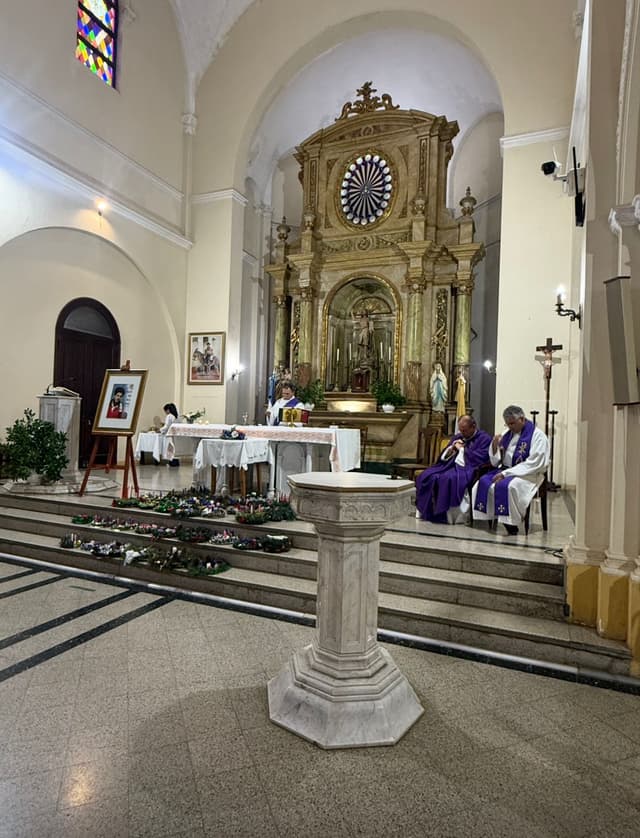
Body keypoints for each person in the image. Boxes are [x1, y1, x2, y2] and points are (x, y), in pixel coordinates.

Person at [472, 404, 550, 535]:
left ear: (522, 419)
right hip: (506, 470)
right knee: (482, 483)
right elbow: (496, 460)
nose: (510, 427)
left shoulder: (538, 436)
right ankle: (494, 517)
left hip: (528, 474)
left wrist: (506, 473)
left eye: (512, 423)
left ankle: (510, 522)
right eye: (507, 424)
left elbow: (534, 463)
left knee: (510, 487)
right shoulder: (507, 433)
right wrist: (495, 446)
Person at [415, 415, 492, 523]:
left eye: (464, 430)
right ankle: (428, 511)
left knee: (448, 478)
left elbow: (481, 458)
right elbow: (443, 457)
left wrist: (462, 450)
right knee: (427, 475)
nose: (462, 433)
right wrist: (451, 449)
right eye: (461, 430)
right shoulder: (458, 437)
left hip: (469, 468)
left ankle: (448, 516)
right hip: (449, 466)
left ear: (473, 426)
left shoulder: (485, 438)